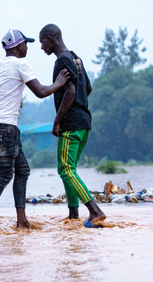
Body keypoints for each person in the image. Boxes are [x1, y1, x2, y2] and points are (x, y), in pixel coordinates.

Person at [0, 29, 69, 231]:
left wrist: (1, 99)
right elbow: (41, 92)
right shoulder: (21, 64)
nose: (27, 47)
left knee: (22, 170)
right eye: (25, 44)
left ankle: (22, 221)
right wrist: (59, 83)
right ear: (17, 46)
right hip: (6, 128)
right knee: (4, 175)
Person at [39, 24, 106, 227]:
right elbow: (88, 87)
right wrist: (79, 105)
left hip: (71, 124)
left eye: (43, 42)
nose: (42, 47)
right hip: (84, 121)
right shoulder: (76, 58)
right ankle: (73, 214)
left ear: (51, 38)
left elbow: (69, 92)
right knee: (68, 168)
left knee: (66, 169)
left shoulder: (62, 61)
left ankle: (95, 211)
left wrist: (58, 120)